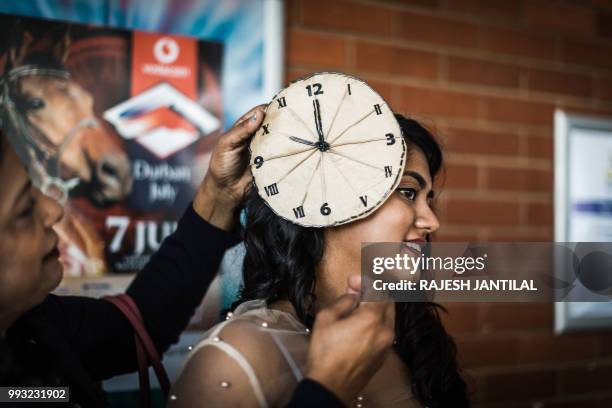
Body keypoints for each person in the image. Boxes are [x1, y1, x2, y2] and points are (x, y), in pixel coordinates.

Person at [0, 105, 395, 407]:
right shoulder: (235, 357)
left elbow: (137, 325)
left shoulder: (34, 332)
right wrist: (326, 392)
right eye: (22, 210)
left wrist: (218, 196)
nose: (53, 210)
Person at [171, 114, 470, 408]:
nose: (431, 222)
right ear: (326, 204)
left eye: (428, 199)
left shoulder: (407, 332)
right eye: (407, 192)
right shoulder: (236, 358)